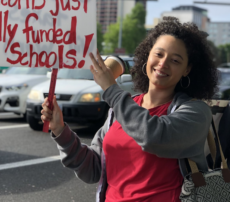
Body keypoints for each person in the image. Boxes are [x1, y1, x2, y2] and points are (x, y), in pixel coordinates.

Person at [41, 16, 219, 202]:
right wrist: (61, 131)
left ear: (187, 69)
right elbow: (93, 170)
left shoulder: (196, 112)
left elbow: (152, 136)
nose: (163, 63)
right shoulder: (121, 109)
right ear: (147, 55)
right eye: (158, 54)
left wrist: (111, 89)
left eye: (175, 60)